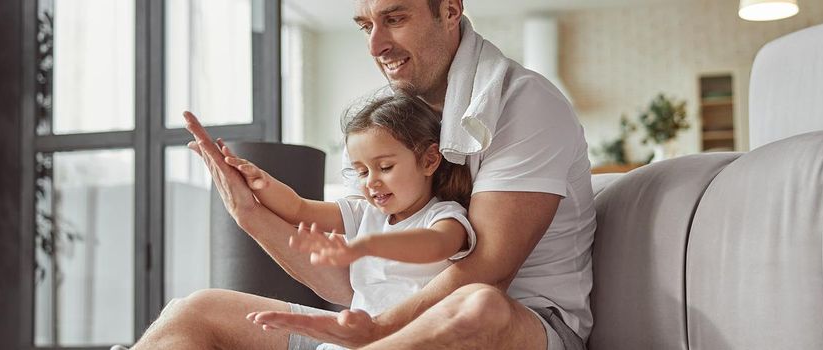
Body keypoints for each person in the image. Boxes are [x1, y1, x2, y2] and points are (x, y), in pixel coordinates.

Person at [133, 0, 595, 349]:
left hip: (525, 325)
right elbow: (349, 283)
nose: (376, 46)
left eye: (394, 19)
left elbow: (487, 273)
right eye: (365, 25)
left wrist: (374, 331)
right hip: (383, 328)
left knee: (479, 307)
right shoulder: (391, 125)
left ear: (450, 9)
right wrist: (250, 214)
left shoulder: (521, 103)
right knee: (192, 312)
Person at [229, 94, 477, 349]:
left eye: (385, 167)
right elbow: (297, 208)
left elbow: (437, 244)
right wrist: (261, 183)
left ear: (429, 160)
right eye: (362, 171)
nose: (371, 181)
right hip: (355, 341)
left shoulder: (445, 215)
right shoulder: (364, 213)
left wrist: (366, 246)